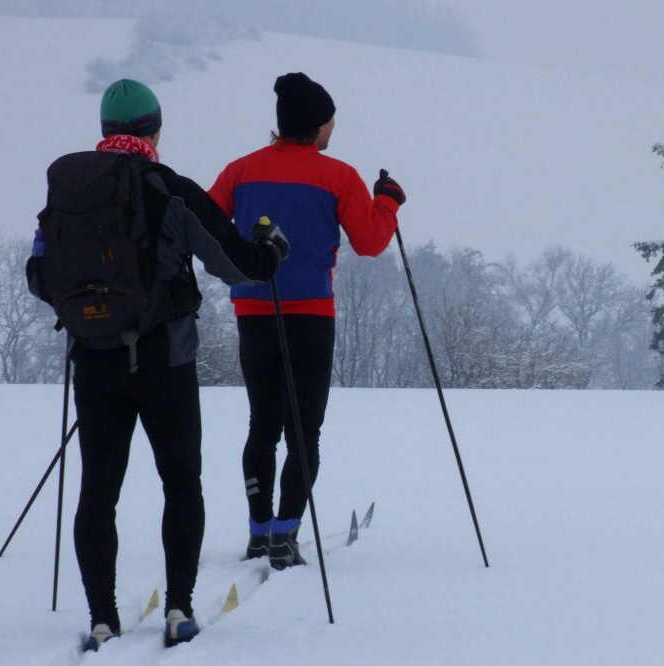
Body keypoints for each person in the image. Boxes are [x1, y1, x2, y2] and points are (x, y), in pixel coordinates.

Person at [26, 79, 288, 650]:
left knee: (98, 491)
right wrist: (271, 250)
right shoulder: (171, 191)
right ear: (155, 129)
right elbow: (238, 265)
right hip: (166, 361)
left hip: (94, 362)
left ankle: (101, 617)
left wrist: (94, 316)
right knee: (180, 481)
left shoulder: (67, 194)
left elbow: (40, 277)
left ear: (104, 132)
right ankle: (178, 608)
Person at [208, 72, 406, 570]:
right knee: (304, 433)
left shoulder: (239, 171)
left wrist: (243, 259)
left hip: (253, 312)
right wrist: (388, 200)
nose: (334, 126)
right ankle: (285, 534)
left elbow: (206, 228)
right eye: (330, 119)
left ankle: (257, 531)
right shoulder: (337, 175)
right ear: (318, 125)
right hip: (312, 317)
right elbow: (370, 242)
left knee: (262, 425)